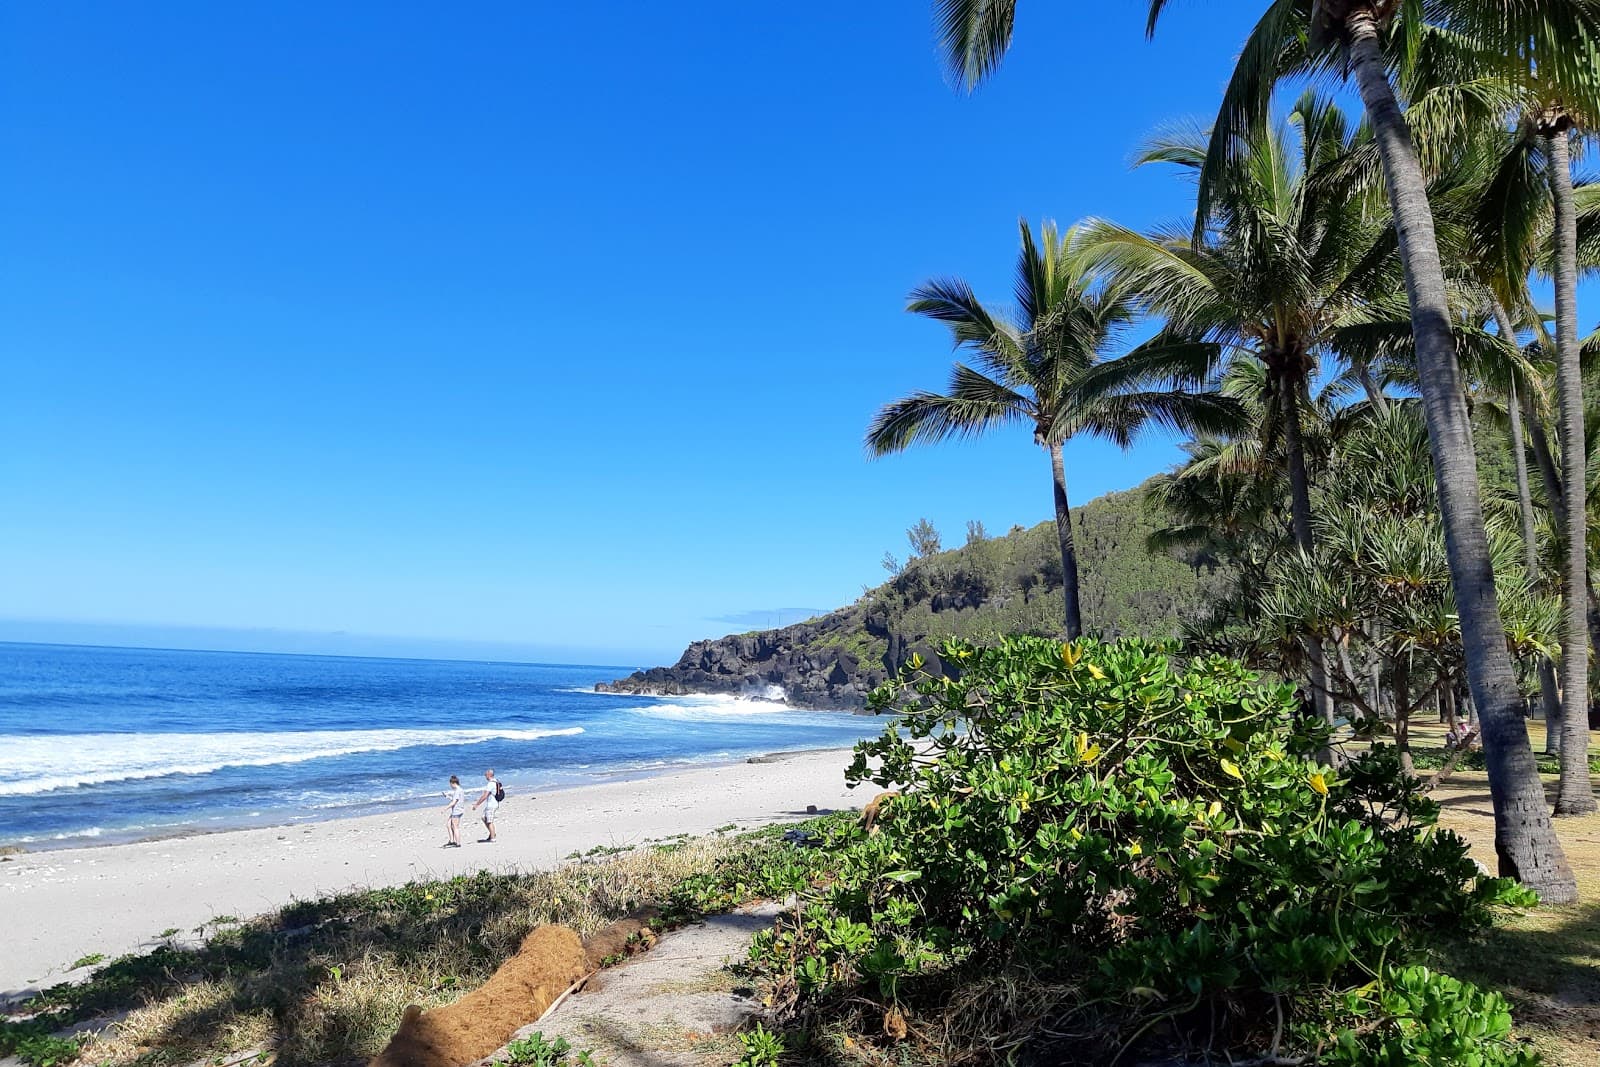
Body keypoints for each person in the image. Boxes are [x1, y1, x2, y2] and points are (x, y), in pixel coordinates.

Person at [472, 768, 500, 843]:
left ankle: (493, 837)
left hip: (492, 804)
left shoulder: (491, 784)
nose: (485, 776)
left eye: (485, 774)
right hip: (492, 804)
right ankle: (492, 833)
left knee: (489, 821)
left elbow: (485, 795)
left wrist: (477, 804)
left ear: (489, 775)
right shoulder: (496, 781)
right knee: (484, 818)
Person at [440, 775, 465, 847]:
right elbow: (455, 800)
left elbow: (454, 802)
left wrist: (445, 809)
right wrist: (447, 796)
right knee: (448, 824)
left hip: (457, 811)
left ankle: (458, 843)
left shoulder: (458, 791)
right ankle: (451, 840)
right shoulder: (460, 790)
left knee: (455, 827)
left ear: (453, 783)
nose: (450, 786)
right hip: (458, 810)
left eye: (450, 784)